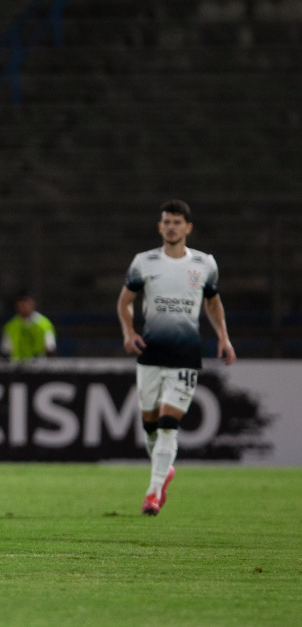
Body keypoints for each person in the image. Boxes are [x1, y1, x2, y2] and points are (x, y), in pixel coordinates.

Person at [117, 199, 236, 516]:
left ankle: (153, 493)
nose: (171, 226)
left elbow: (212, 303)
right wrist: (129, 333)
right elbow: (125, 301)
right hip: (151, 353)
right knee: (150, 427)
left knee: (169, 425)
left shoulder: (204, 263)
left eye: (177, 222)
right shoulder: (144, 262)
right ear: (160, 226)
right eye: (166, 221)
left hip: (185, 354)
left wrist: (223, 337)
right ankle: (164, 469)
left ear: (188, 227)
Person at [0, 291, 57, 361]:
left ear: (32, 303)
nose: (23, 306)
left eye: (26, 302)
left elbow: (50, 349)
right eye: (20, 303)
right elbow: (6, 351)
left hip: (39, 368)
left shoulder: (44, 324)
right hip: (16, 368)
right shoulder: (10, 325)